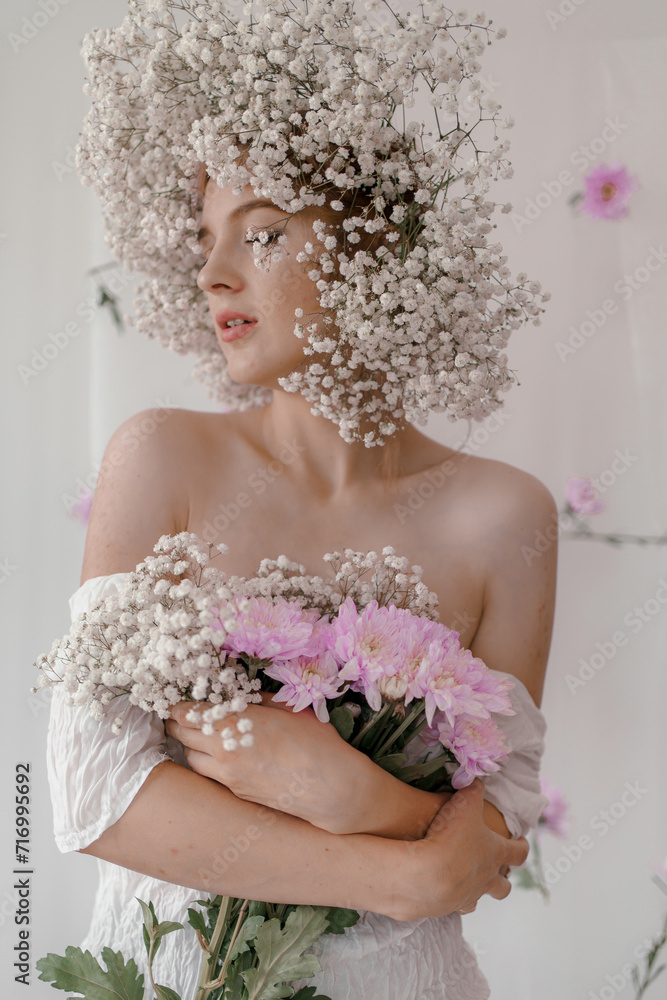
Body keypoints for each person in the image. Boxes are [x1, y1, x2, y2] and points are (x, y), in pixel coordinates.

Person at [46, 3, 555, 996]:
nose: (213, 272)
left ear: (375, 244)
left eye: (264, 232)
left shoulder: (507, 516)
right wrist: (397, 849)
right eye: (203, 239)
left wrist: (338, 786)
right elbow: (95, 797)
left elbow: (497, 826)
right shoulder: (163, 458)